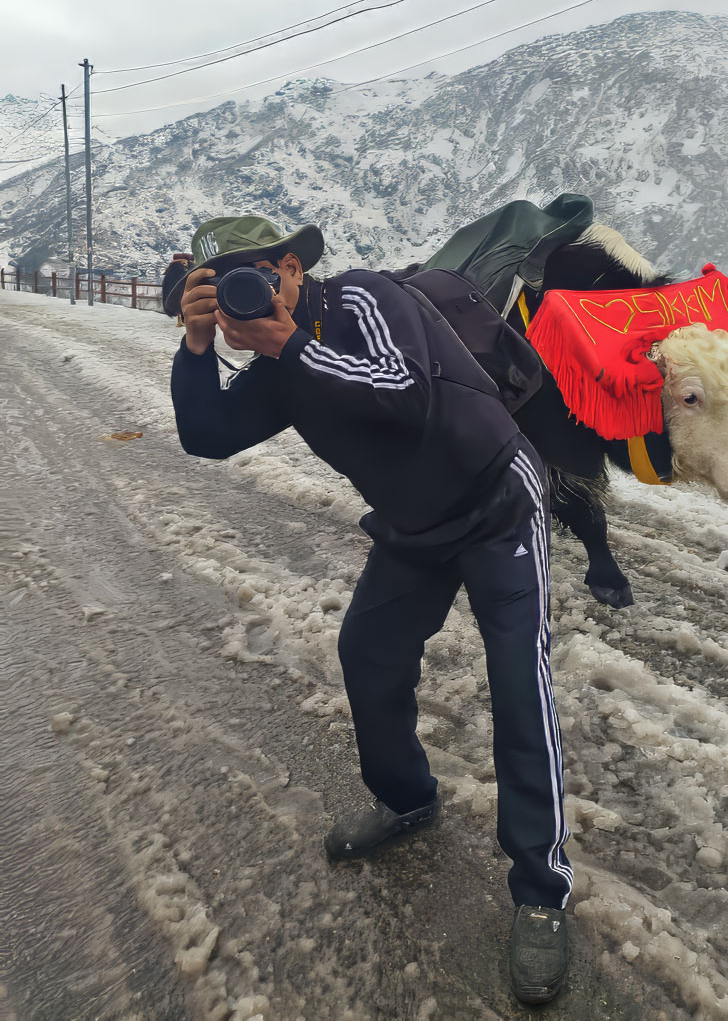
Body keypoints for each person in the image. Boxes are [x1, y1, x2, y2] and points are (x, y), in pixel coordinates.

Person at [169, 215, 572, 1004]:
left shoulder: (364, 299)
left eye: (253, 281)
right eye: (222, 297)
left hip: (497, 500)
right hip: (415, 524)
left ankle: (541, 895)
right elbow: (206, 435)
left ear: (292, 268)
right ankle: (408, 797)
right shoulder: (277, 364)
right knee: (368, 652)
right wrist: (194, 348)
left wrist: (290, 346)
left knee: (518, 684)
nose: (241, 308)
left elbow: (406, 392)